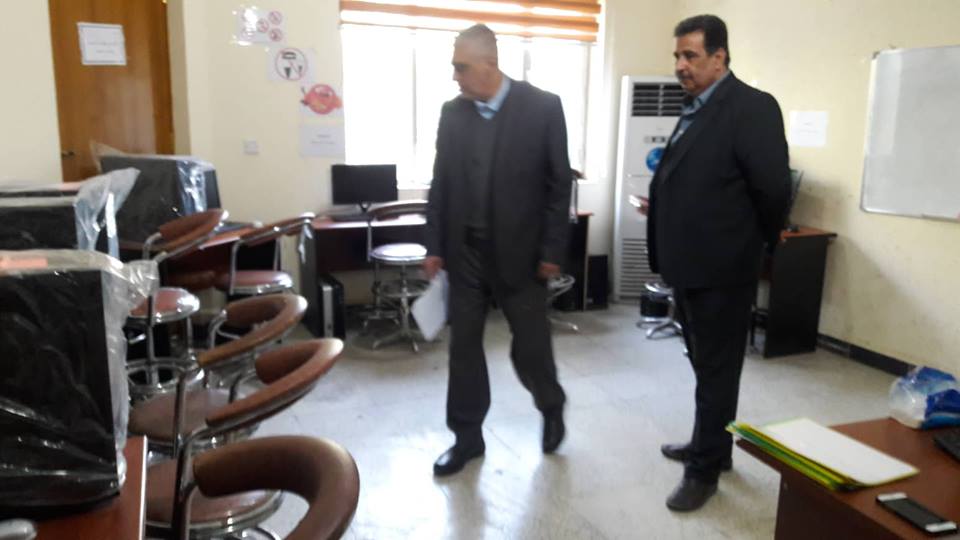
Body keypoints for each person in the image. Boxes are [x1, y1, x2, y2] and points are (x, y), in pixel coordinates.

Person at [637, 14, 791, 511]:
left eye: (691, 56)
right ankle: (713, 446)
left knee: (718, 371)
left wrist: (756, 245)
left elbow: (773, 190)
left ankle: (703, 472)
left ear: (719, 57)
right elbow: (704, 179)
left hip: (724, 268)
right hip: (690, 266)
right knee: (706, 368)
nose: (680, 65)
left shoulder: (751, 107)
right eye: (677, 56)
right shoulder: (696, 106)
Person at [423, 24, 571, 477]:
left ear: (490, 64)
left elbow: (558, 184)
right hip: (466, 253)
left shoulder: (542, 107)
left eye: (461, 67)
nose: (455, 76)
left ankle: (550, 404)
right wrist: (435, 246)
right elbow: (440, 182)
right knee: (463, 347)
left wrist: (551, 250)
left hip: (522, 256)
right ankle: (467, 437)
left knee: (530, 348)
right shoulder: (453, 113)